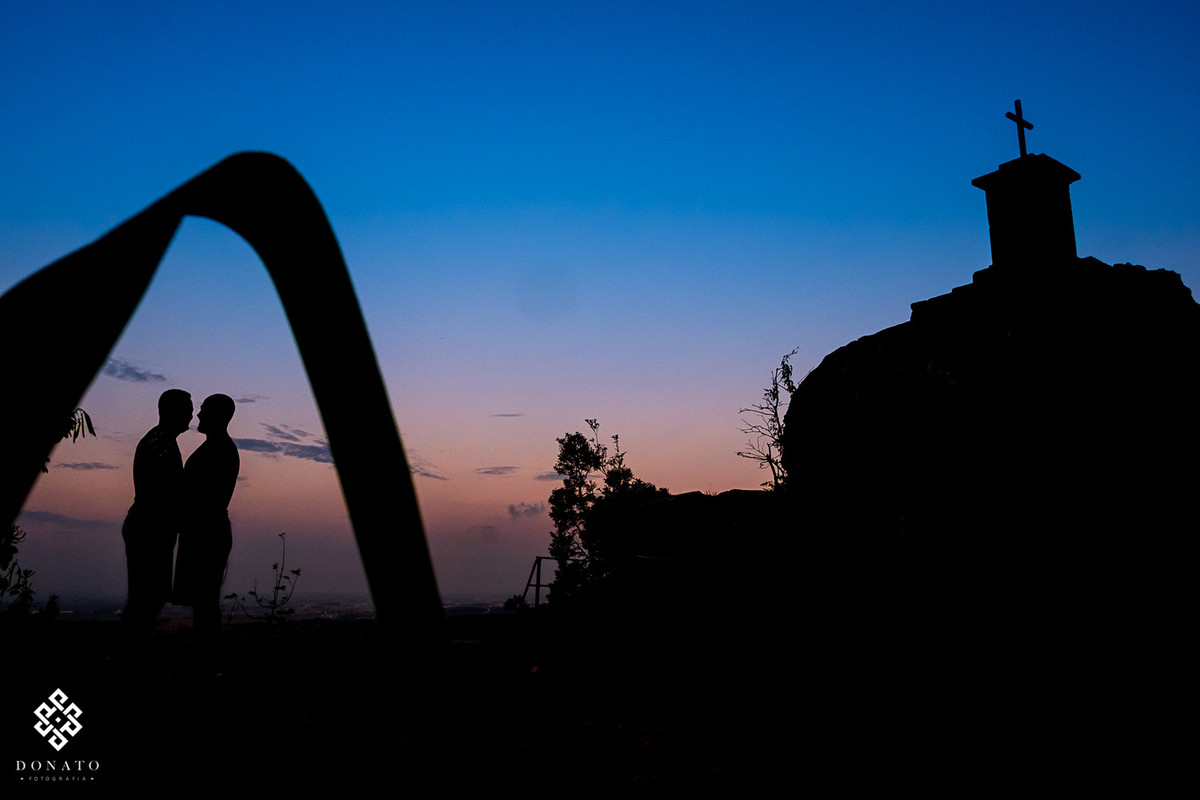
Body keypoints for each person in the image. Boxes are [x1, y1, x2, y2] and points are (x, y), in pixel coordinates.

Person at [122, 388, 193, 634]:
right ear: (172, 412)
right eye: (187, 411)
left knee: (150, 598)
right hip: (148, 530)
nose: (191, 417)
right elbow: (161, 491)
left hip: (151, 529)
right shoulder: (159, 442)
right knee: (146, 599)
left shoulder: (162, 440)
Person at [173, 394, 240, 638]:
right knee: (202, 602)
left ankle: (208, 660)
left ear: (218, 416)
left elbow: (213, 499)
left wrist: (199, 534)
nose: (198, 415)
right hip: (203, 532)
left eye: (203, 410)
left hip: (206, 533)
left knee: (206, 601)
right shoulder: (216, 447)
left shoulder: (221, 450)